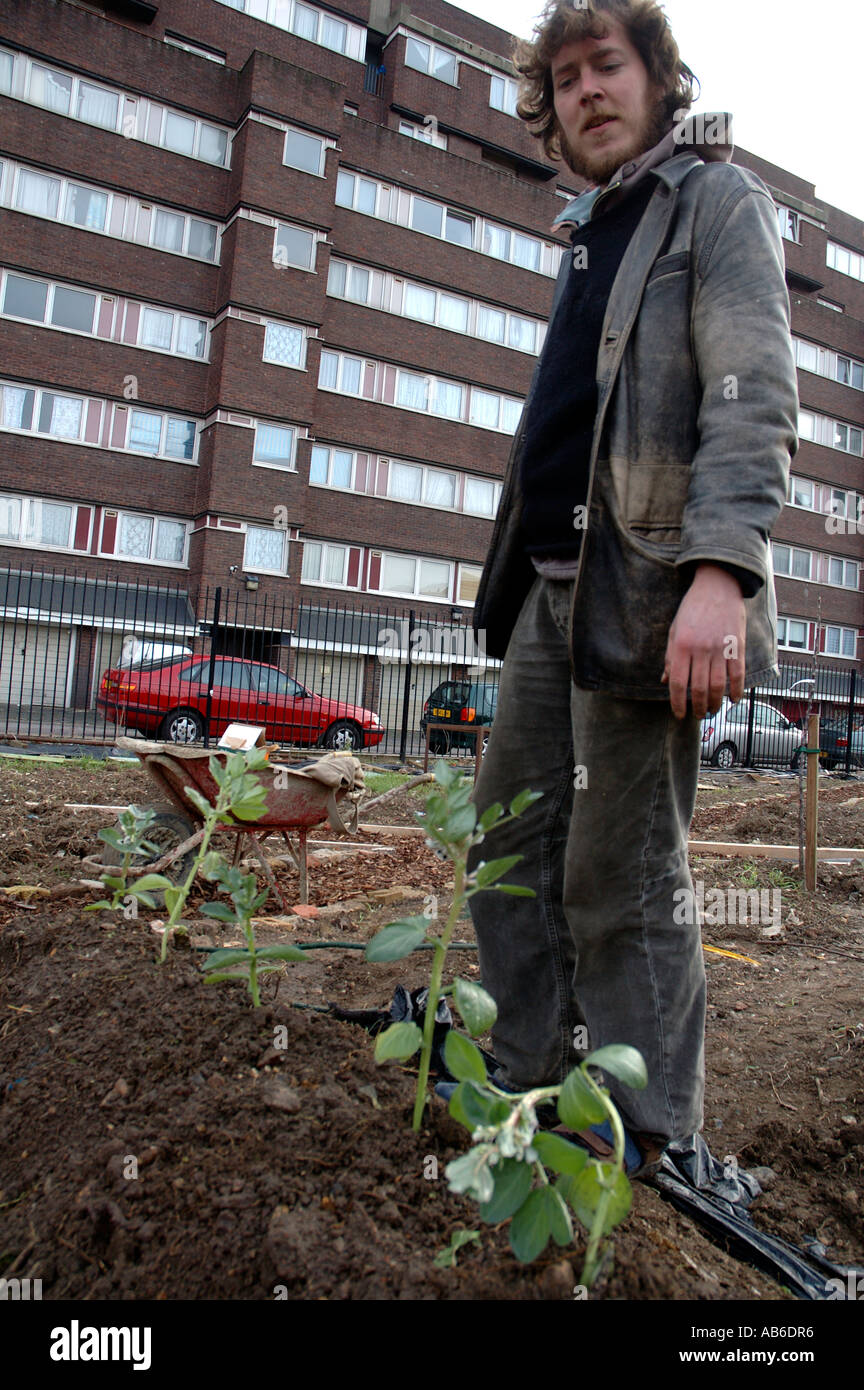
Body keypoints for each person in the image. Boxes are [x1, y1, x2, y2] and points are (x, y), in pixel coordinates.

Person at [467, 0, 798, 1172]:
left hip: (647, 595)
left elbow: (751, 394)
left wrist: (722, 574)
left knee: (620, 867)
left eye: (606, 65)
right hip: (548, 593)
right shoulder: (587, 231)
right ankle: (525, 1077)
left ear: (658, 79)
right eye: (562, 79)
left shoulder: (715, 204)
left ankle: (650, 1135)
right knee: (508, 843)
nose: (585, 91)